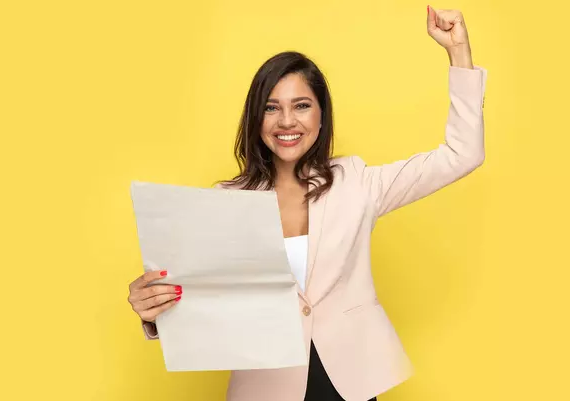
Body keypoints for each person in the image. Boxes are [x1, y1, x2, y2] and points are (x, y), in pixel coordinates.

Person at [126, 6, 487, 401]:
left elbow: (462, 154)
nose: (286, 121)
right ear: (256, 118)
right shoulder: (226, 201)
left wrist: (459, 53)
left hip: (350, 382)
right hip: (264, 388)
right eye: (271, 107)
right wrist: (153, 313)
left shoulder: (358, 182)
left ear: (320, 115)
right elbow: (204, 300)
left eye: (301, 105)